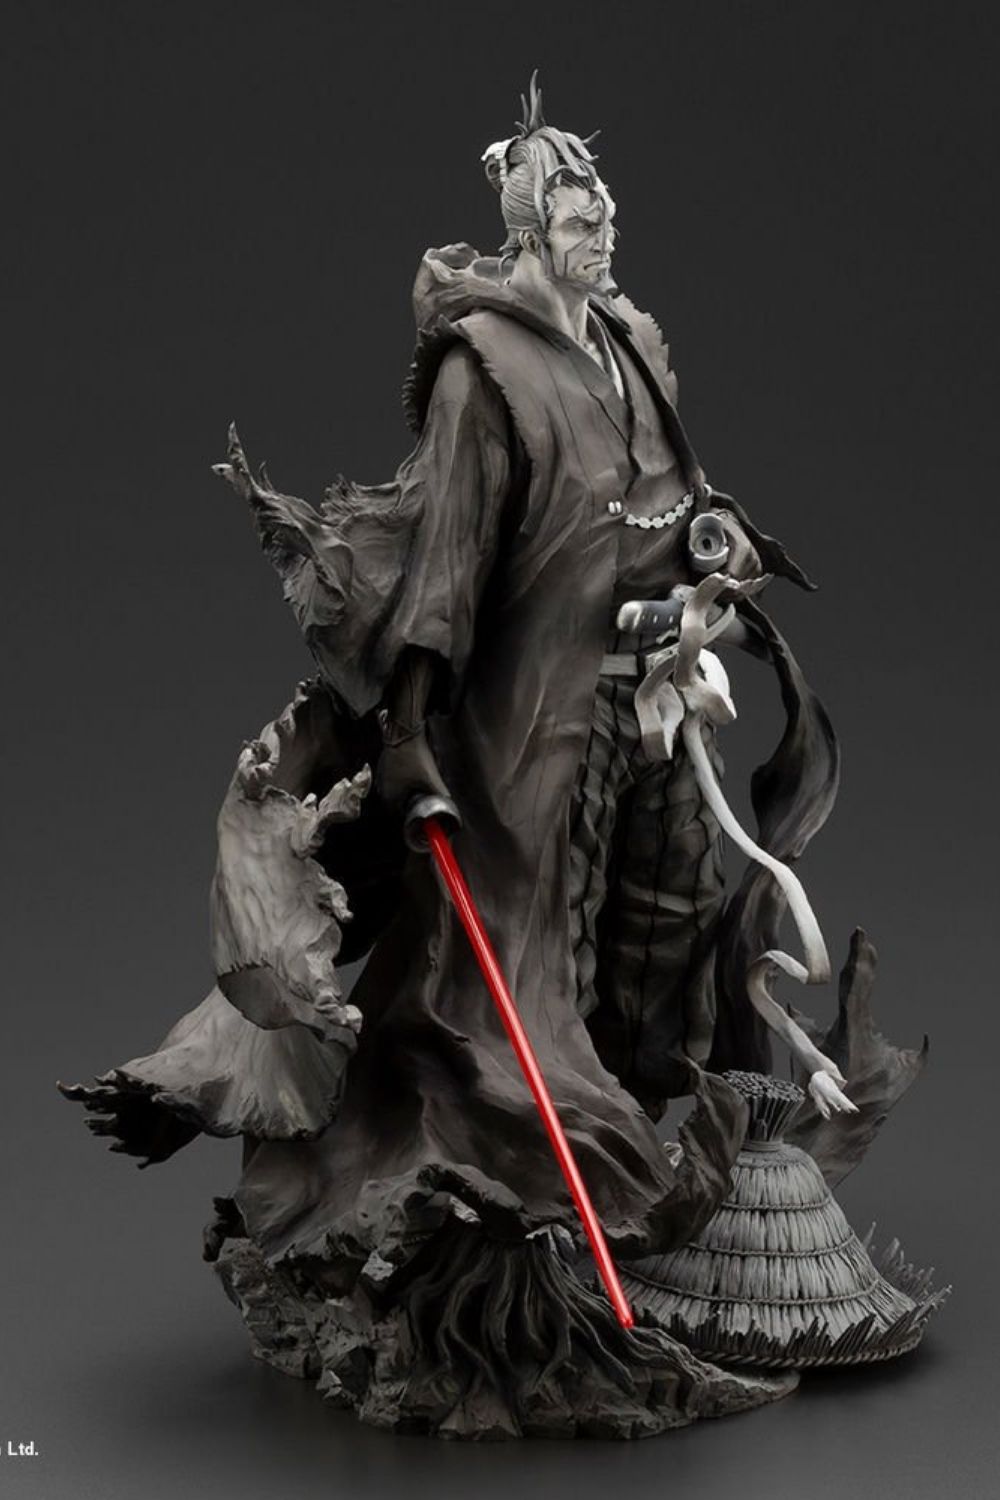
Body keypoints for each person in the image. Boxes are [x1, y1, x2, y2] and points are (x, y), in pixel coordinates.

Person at [62, 79, 855, 1436]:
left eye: (605, 203)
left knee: (657, 937)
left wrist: (711, 552)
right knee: (508, 984)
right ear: (529, 228)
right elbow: (446, 573)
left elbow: (667, 501)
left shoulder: (629, 343)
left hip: (641, 708)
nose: (602, 223)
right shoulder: (483, 375)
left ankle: (631, 1192)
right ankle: (504, 1223)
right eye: (576, 210)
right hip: (519, 733)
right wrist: (414, 736)